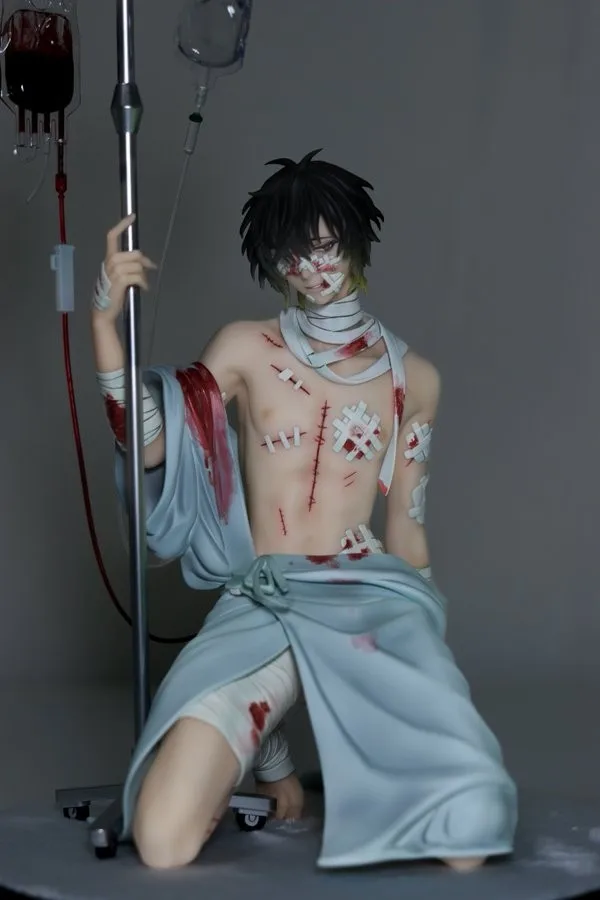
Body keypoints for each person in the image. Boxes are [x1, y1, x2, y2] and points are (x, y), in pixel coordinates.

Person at [91, 149, 518, 871]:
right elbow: (152, 445)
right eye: (293, 253)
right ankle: (266, 744)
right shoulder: (244, 347)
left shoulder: (414, 379)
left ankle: (333, 744)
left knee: (467, 834)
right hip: (263, 598)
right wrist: (105, 325)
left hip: (367, 596)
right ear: (274, 265)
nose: (313, 267)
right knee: (162, 840)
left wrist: (425, 652)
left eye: (328, 244)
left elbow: (407, 528)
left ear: (358, 241)